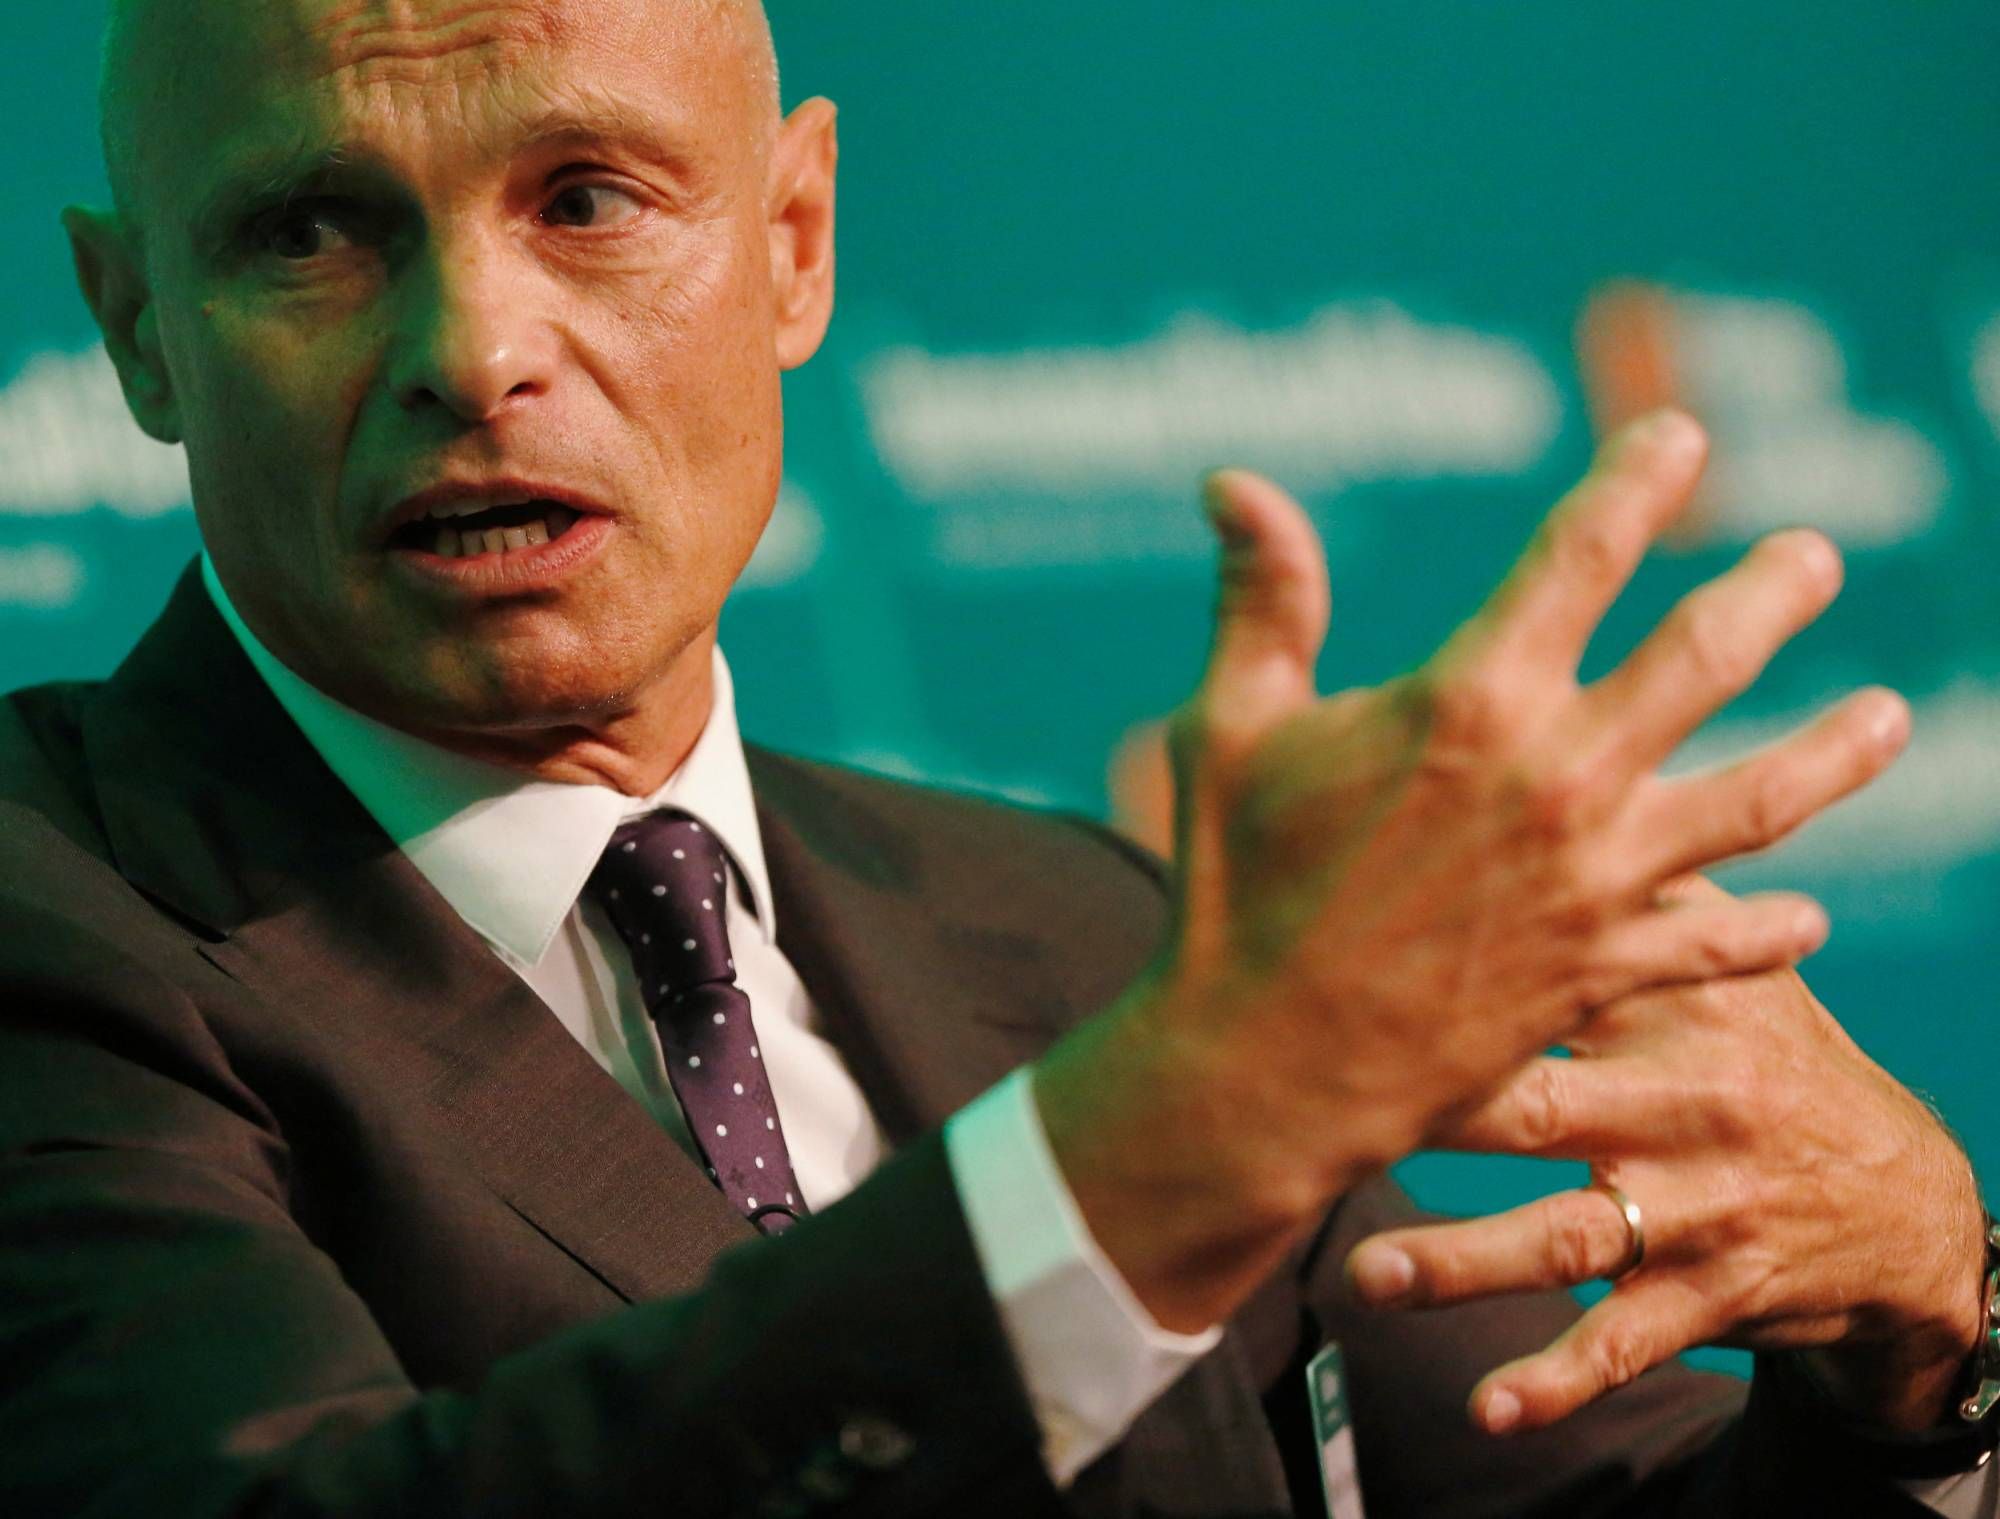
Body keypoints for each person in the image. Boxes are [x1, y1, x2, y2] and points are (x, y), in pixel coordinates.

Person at [0, 0, 1990, 1513]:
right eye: (310, 233)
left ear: (793, 243)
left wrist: (1929, 1347)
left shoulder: (1077, 922)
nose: (473, 348)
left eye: (587, 200)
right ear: (139, 326)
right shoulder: (53, 924)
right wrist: (1155, 1158)